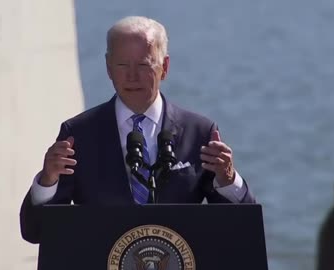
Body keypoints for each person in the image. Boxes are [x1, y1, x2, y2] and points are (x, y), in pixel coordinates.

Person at [20, 16, 255, 244]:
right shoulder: (78, 134)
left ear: (165, 67)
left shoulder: (200, 132)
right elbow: (35, 232)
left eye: (144, 64)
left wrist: (228, 179)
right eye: (122, 65)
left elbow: (241, 228)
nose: (132, 76)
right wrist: (47, 180)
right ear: (109, 68)